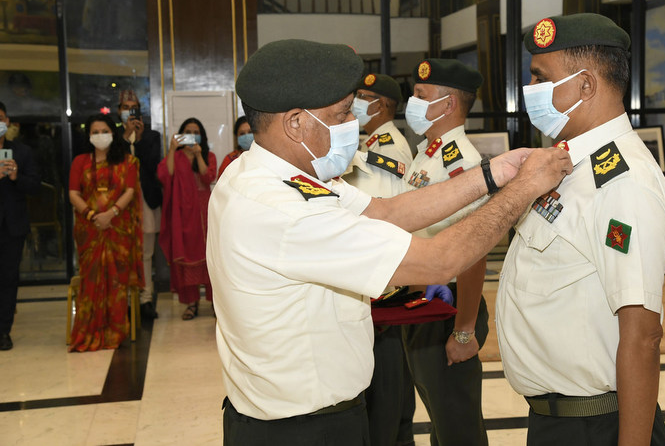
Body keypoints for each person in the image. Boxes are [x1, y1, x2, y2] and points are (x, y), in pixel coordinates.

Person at [206, 38, 573, 446]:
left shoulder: (267, 174)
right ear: (296, 123)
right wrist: (523, 189)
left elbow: (387, 211)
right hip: (301, 430)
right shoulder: (284, 209)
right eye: (341, 113)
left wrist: (492, 174)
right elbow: (440, 261)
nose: (352, 122)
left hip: (298, 419)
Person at [495, 13, 665, 445]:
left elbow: (643, 336)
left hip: (597, 426)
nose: (530, 89)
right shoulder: (568, 166)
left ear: (586, 85)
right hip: (559, 421)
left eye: (541, 78)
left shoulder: (623, 183)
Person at [400, 58, 490, 446]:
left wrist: (465, 331)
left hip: (448, 306)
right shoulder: (428, 153)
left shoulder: (462, 164)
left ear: (448, 104)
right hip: (422, 301)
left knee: (457, 426)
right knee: (441, 417)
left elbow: (473, 254)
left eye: (421, 96)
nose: (412, 102)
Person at [343, 73, 416, 446]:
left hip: (381, 287)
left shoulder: (388, 150)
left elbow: (387, 220)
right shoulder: (370, 144)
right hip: (376, 282)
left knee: (385, 395)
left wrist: (384, 288)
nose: (355, 102)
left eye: (363, 96)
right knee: (390, 388)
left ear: (383, 105)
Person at [68, 113, 142, 352]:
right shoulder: (80, 162)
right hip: (89, 231)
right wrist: (92, 216)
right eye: (95, 132)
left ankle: (114, 332)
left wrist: (111, 213)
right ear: (88, 136)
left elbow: (130, 191)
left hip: (118, 230)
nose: (100, 136)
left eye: (104, 131)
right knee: (90, 282)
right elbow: (73, 193)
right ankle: (88, 331)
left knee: (117, 283)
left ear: (113, 133)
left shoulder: (128, 161)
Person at [157, 117, 217, 320]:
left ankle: (215, 303)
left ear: (202, 136)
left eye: (196, 132)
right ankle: (192, 303)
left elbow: (208, 177)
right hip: (183, 213)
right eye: (188, 132)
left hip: (205, 211)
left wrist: (199, 155)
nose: (192, 135)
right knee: (187, 256)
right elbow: (166, 175)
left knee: (210, 256)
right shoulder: (177, 156)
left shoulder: (209, 155)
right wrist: (172, 150)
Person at [0, 102, 41, 351]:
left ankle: (3, 330)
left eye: (0, 118)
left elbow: (35, 186)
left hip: (11, 226)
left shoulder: (22, 152)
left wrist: (16, 177)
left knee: (8, 279)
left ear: (7, 121)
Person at [118, 90, 162, 320]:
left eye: (133, 107)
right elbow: (114, 162)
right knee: (124, 252)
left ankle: (146, 299)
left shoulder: (152, 136)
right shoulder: (114, 137)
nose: (129, 111)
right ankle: (126, 301)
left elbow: (152, 165)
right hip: (119, 202)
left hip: (145, 199)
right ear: (119, 111)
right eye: (125, 107)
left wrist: (140, 138)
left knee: (146, 253)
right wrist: (126, 137)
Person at [352, 72, 413, 165]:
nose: (355, 101)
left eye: (361, 96)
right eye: (356, 95)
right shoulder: (375, 141)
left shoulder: (389, 148)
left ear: (379, 106)